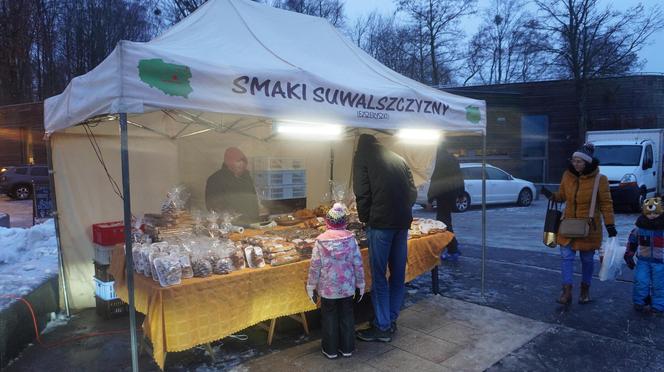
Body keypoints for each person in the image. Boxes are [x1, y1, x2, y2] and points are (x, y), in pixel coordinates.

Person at [352, 134, 417, 342]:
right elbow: (413, 192)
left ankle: (382, 326)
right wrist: (402, 209)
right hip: (402, 223)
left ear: (359, 145)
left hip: (380, 225)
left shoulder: (362, 157)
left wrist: (365, 219)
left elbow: (362, 193)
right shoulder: (398, 159)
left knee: (379, 276)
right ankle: (389, 319)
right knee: (397, 274)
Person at [541, 143, 616, 305]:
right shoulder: (567, 176)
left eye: (579, 161)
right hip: (567, 225)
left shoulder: (599, 180)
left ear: (587, 162)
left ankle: (585, 290)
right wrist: (551, 195)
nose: (575, 164)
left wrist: (610, 225)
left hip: (589, 227)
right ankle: (566, 291)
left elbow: (606, 204)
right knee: (566, 257)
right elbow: (562, 195)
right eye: (573, 160)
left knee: (587, 260)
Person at [306, 203, 365, 359]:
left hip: (328, 289)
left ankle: (330, 350)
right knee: (347, 315)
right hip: (347, 287)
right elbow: (358, 263)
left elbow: (315, 266)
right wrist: (361, 284)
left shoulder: (320, 241)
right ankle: (347, 348)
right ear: (345, 222)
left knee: (329, 317)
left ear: (327, 223)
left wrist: (311, 286)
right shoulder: (351, 240)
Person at [624, 196, 664, 314]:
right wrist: (629, 255)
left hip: (660, 262)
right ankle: (639, 302)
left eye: (656, 213)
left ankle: (658, 305)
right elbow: (632, 242)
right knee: (641, 281)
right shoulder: (639, 229)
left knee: (659, 284)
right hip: (643, 260)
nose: (652, 215)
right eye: (649, 213)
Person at [427, 145, 465, 261]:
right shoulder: (453, 159)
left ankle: (453, 249)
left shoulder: (439, 160)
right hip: (452, 194)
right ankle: (453, 245)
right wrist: (460, 193)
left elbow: (435, 180)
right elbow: (459, 177)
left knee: (443, 222)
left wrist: (430, 198)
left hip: (443, 194)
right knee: (445, 221)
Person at [205, 147, 259, 224]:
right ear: (229, 162)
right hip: (229, 225)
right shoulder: (215, 179)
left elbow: (253, 198)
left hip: (252, 223)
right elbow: (212, 204)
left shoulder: (247, 177)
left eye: (243, 161)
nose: (241, 164)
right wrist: (230, 216)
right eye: (238, 161)